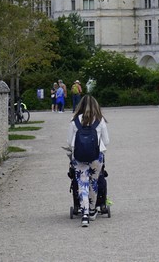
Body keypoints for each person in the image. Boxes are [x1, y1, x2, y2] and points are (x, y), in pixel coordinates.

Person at [67, 95, 109, 227]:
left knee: (82, 184)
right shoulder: (100, 121)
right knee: (94, 183)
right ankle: (92, 210)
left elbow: (69, 142)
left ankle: (84, 214)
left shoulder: (74, 121)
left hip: (79, 156)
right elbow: (106, 141)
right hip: (96, 156)